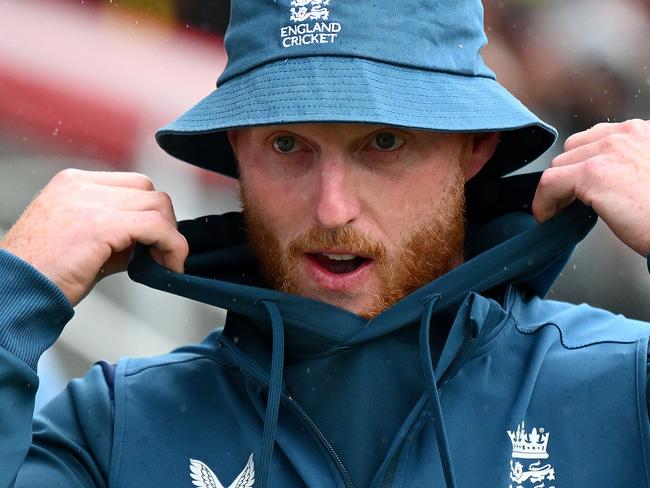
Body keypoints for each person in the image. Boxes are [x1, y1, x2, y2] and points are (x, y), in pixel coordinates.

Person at [1, 0, 650, 487]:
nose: (332, 207)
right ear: (238, 152)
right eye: (288, 145)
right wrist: (14, 290)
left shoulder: (622, 386)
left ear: (473, 148)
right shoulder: (117, 429)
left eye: (384, 142)